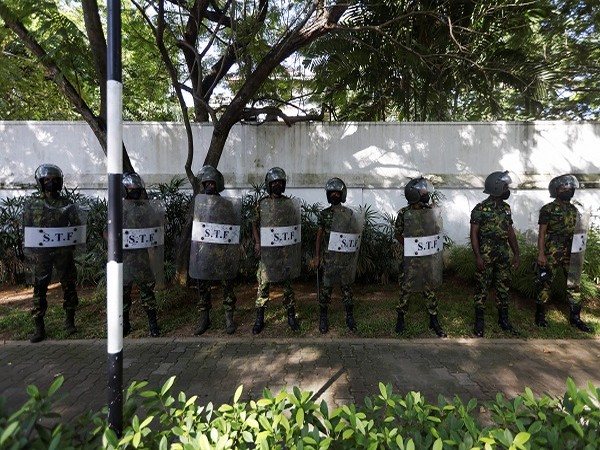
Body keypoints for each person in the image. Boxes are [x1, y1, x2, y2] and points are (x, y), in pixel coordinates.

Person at [24, 164, 82, 343]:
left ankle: (70, 320)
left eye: (54, 180)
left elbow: (76, 228)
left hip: (63, 253)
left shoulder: (67, 205)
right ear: (40, 182)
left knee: (69, 285)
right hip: (41, 255)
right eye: (47, 180)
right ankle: (39, 326)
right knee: (39, 288)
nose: (51, 183)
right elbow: (27, 230)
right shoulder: (32, 205)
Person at [535, 174, 592, 332]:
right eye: (564, 188)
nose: (568, 190)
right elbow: (542, 233)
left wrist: (580, 253)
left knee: (574, 284)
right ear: (556, 190)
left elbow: (578, 232)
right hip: (552, 249)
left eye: (570, 188)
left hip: (571, 250)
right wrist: (541, 254)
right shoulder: (548, 209)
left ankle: (575, 317)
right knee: (545, 282)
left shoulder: (574, 210)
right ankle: (540, 316)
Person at [470, 171, 520, 337]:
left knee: (503, 287)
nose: (508, 189)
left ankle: (503, 320)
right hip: (486, 256)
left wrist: (516, 253)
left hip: (503, 256)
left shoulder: (506, 209)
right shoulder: (480, 209)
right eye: (505, 186)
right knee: (482, 288)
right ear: (497, 187)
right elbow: (474, 235)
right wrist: (478, 257)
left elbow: (510, 232)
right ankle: (479, 322)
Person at [394, 177, 446, 338]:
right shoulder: (404, 213)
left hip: (428, 259)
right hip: (411, 259)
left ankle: (433, 319)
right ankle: (401, 318)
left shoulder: (430, 210)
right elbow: (397, 234)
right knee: (406, 287)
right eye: (422, 190)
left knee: (429, 288)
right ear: (414, 193)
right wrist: (410, 247)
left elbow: (437, 231)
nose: (426, 192)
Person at [251, 167, 301, 334]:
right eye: (274, 183)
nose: (277, 185)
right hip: (267, 253)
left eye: (280, 183)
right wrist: (257, 242)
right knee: (263, 285)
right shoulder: (262, 204)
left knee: (288, 286)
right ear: (269, 185)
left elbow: (295, 226)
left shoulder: (289, 204)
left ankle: (291, 316)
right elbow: (253, 223)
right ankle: (260, 318)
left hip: (285, 253)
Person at [190, 166, 238, 335]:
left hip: (222, 254)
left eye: (213, 182)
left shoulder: (226, 205)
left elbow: (233, 228)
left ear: (218, 184)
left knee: (227, 286)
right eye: (207, 183)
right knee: (203, 287)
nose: (210, 185)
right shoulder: (198, 205)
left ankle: (229, 318)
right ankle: (204, 318)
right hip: (203, 253)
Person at [313, 178, 361, 333]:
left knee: (347, 290)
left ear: (342, 195)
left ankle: (349, 316)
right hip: (329, 260)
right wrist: (317, 256)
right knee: (326, 290)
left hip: (345, 260)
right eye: (331, 193)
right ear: (328, 195)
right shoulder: (324, 214)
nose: (334, 195)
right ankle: (323, 318)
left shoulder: (349, 214)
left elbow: (354, 234)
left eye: (337, 193)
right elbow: (319, 236)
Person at [121, 172, 161, 337]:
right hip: (122, 259)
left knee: (147, 292)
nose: (134, 190)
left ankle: (153, 324)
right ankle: (124, 324)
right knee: (123, 293)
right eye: (130, 187)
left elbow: (156, 229)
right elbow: (106, 231)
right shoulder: (118, 208)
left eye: (137, 187)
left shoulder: (147, 208)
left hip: (142, 258)